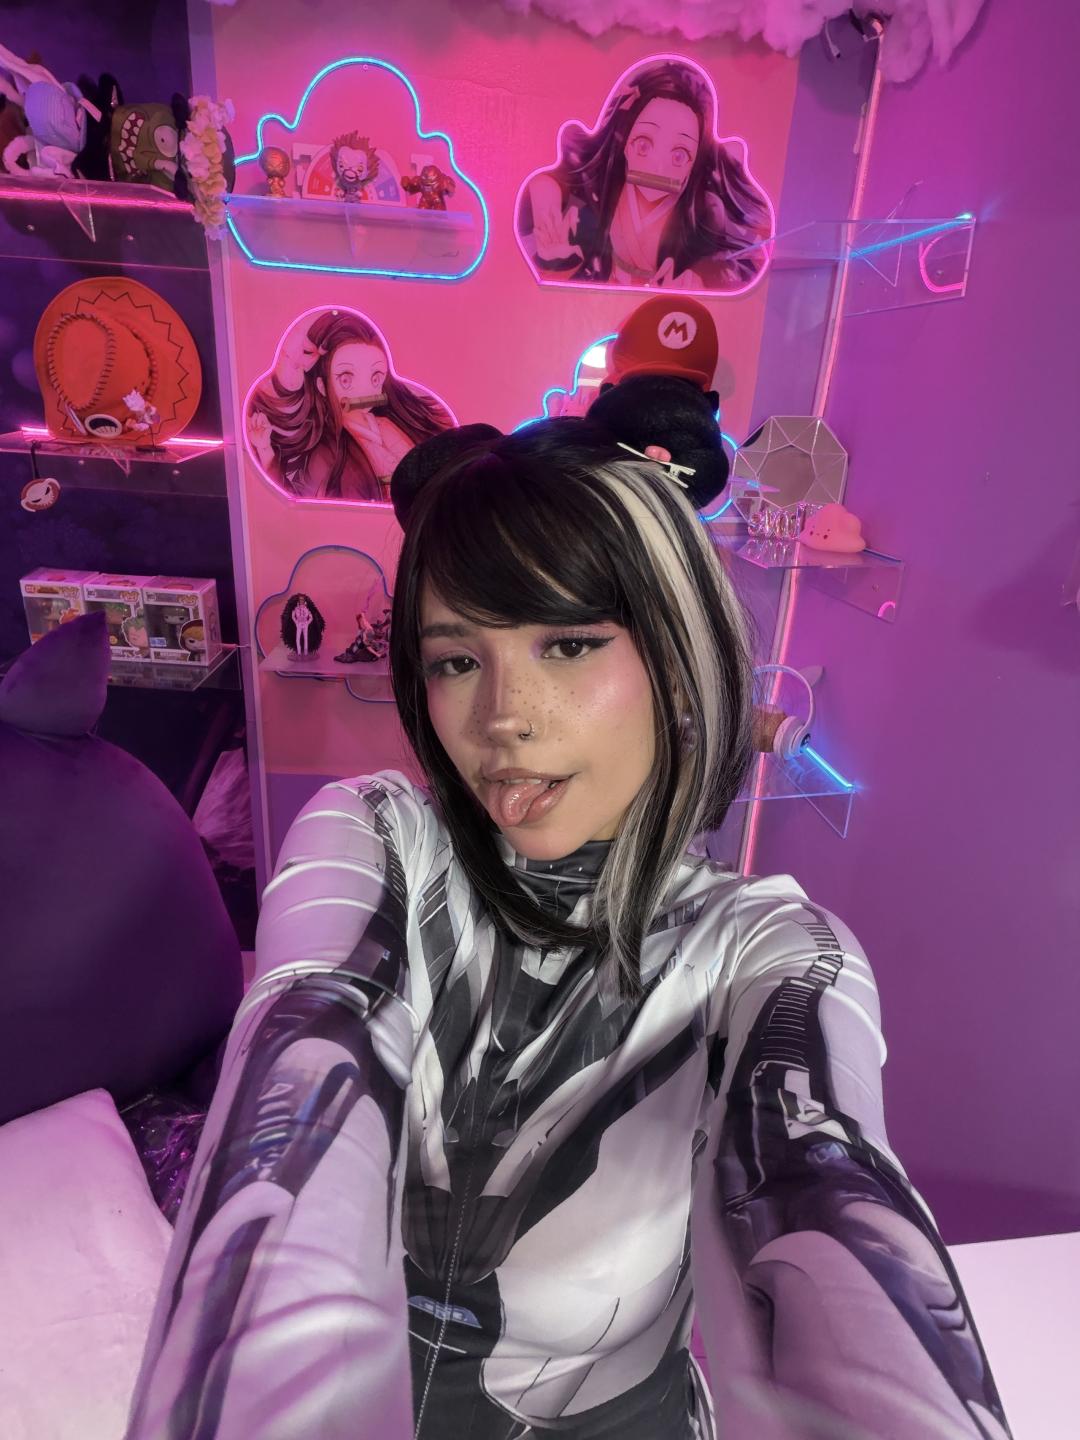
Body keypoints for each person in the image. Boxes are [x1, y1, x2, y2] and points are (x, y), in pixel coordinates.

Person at [125, 418, 1011, 1440]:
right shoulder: (377, 839)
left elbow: (828, 1189)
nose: (503, 715)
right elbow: (300, 1071)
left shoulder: (765, 952)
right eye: (457, 660)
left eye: (570, 643)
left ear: (677, 659)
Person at [517, 57, 773, 293]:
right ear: (626, 144)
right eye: (643, 145)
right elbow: (549, 183)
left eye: (679, 155)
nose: (658, 167)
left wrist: (701, 279)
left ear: (693, 163)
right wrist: (547, 203)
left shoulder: (704, 214)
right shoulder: (594, 198)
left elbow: (750, 257)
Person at [245, 308, 454, 502]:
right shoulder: (327, 453)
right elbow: (303, 503)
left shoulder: (385, 425)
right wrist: (265, 450)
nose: (364, 391)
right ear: (322, 386)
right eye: (345, 379)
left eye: (375, 378)